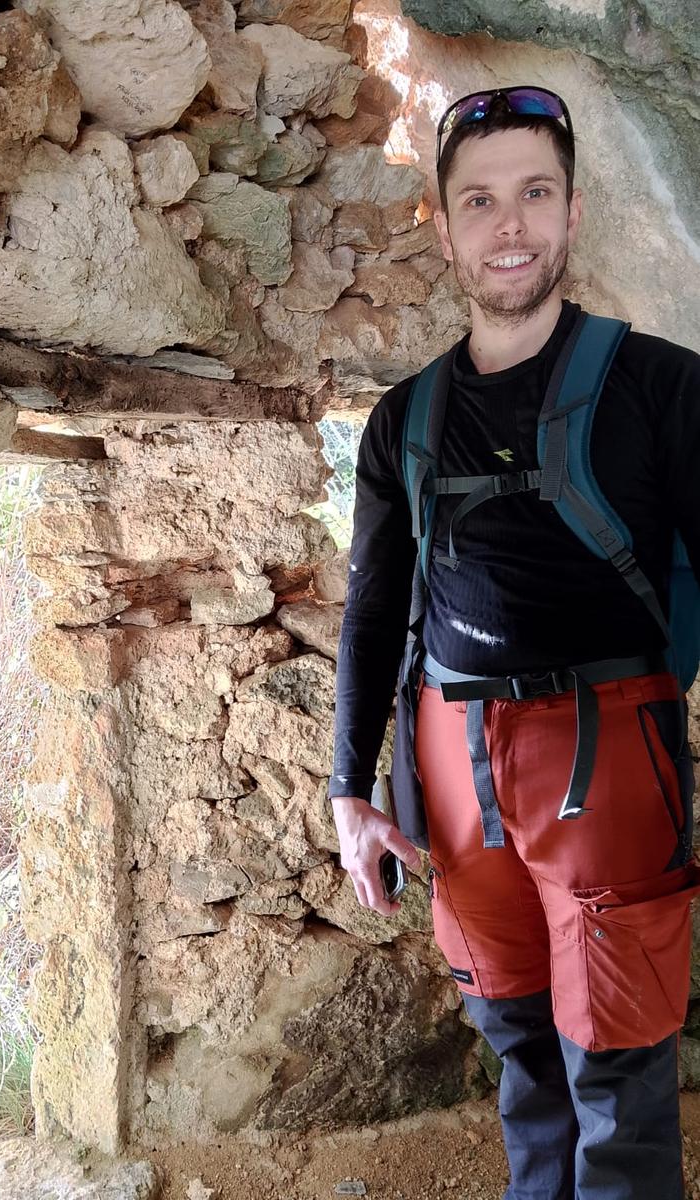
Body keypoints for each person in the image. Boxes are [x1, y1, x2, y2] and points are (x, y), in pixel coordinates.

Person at [327, 85, 700, 1200]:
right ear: (443, 226)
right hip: (452, 766)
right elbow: (374, 605)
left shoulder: (663, 387)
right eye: (481, 201)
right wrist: (352, 785)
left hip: (608, 758)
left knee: (618, 1070)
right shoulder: (406, 420)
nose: (511, 226)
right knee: (523, 1053)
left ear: (573, 211)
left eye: (536, 193)